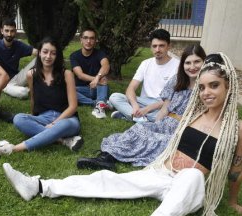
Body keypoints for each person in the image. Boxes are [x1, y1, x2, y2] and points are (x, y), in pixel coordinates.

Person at [2, 53, 242, 216]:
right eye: (201, 87)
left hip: (190, 190)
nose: (206, 92)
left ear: (228, 86)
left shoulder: (236, 129)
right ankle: (40, 186)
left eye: (214, 86)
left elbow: (236, 169)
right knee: (111, 180)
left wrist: (231, 201)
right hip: (163, 174)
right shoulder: (194, 113)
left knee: (193, 175)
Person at [77, 44, 206, 171]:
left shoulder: (206, 88)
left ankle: (109, 158)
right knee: (140, 128)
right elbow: (165, 108)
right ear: (183, 64)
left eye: (197, 62)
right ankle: (106, 157)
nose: (192, 67)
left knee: (152, 139)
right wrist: (155, 125)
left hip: (184, 130)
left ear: (204, 62)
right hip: (166, 122)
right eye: (188, 63)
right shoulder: (177, 80)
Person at [0, 37, 83, 157]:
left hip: (67, 119)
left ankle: (14, 148)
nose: (48, 56)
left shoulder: (67, 74)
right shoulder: (31, 74)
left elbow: (73, 106)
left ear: (57, 56)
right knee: (18, 118)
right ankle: (64, 141)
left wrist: (55, 123)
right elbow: (33, 98)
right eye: (45, 52)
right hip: (44, 117)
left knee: (64, 125)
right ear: (39, 53)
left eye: (53, 53)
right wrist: (33, 118)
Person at [109, 29, 180, 122]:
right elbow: (131, 88)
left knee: (168, 118)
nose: (157, 50)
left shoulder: (178, 66)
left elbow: (173, 98)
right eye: (154, 46)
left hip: (163, 104)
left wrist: (146, 109)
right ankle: (140, 118)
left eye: (161, 46)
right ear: (150, 47)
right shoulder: (145, 63)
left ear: (169, 46)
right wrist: (135, 106)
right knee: (115, 97)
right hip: (143, 102)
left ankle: (131, 116)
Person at [0, 18, 37, 99]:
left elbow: (35, 52)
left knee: (42, 58)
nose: (9, 34)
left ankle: (46, 85)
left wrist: (49, 54)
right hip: (2, 81)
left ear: (15, 32)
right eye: (6, 31)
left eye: (12, 31)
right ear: (1, 31)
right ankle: (27, 90)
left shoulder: (19, 45)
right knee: (23, 93)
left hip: (16, 78)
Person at [70, 28, 110, 119]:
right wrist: (96, 79)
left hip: (97, 88)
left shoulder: (100, 53)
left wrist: (97, 78)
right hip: (81, 90)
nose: (88, 41)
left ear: (95, 41)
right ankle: (99, 103)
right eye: (85, 38)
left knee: (103, 80)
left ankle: (100, 107)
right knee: (66, 90)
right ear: (81, 40)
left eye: (92, 38)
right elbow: (80, 75)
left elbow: (106, 66)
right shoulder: (74, 56)